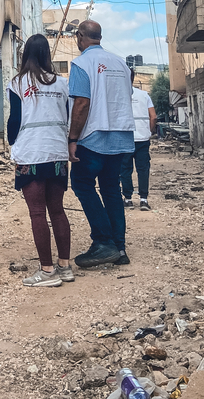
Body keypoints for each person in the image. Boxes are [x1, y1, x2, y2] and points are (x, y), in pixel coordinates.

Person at [67, 20, 136, 267]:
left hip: (93, 136)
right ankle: (119, 248)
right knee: (111, 189)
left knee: (82, 184)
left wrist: (72, 138)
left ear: (80, 36)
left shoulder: (81, 63)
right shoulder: (121, 64)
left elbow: (81, 104)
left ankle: (103, 241)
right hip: (121, 135)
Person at [7, 34, 74, 287]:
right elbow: (67, 116)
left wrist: (13, 142)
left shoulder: (18, 83)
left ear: (26, 54)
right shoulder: (62, 84)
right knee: (57, 210)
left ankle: (47, 272)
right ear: (47, 54)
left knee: (37, 213)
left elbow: (14, 120)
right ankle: (65, 266)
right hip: (57, 153)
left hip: (31, 154)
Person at [122, 68, 157, 211]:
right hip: (142, 138)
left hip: (125, 137)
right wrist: (149, 130)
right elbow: (153, 116)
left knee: (125, 170)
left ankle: (128, 199)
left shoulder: (118, 95)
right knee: (143, 169)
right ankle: (143, 199)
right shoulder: (144, 95)